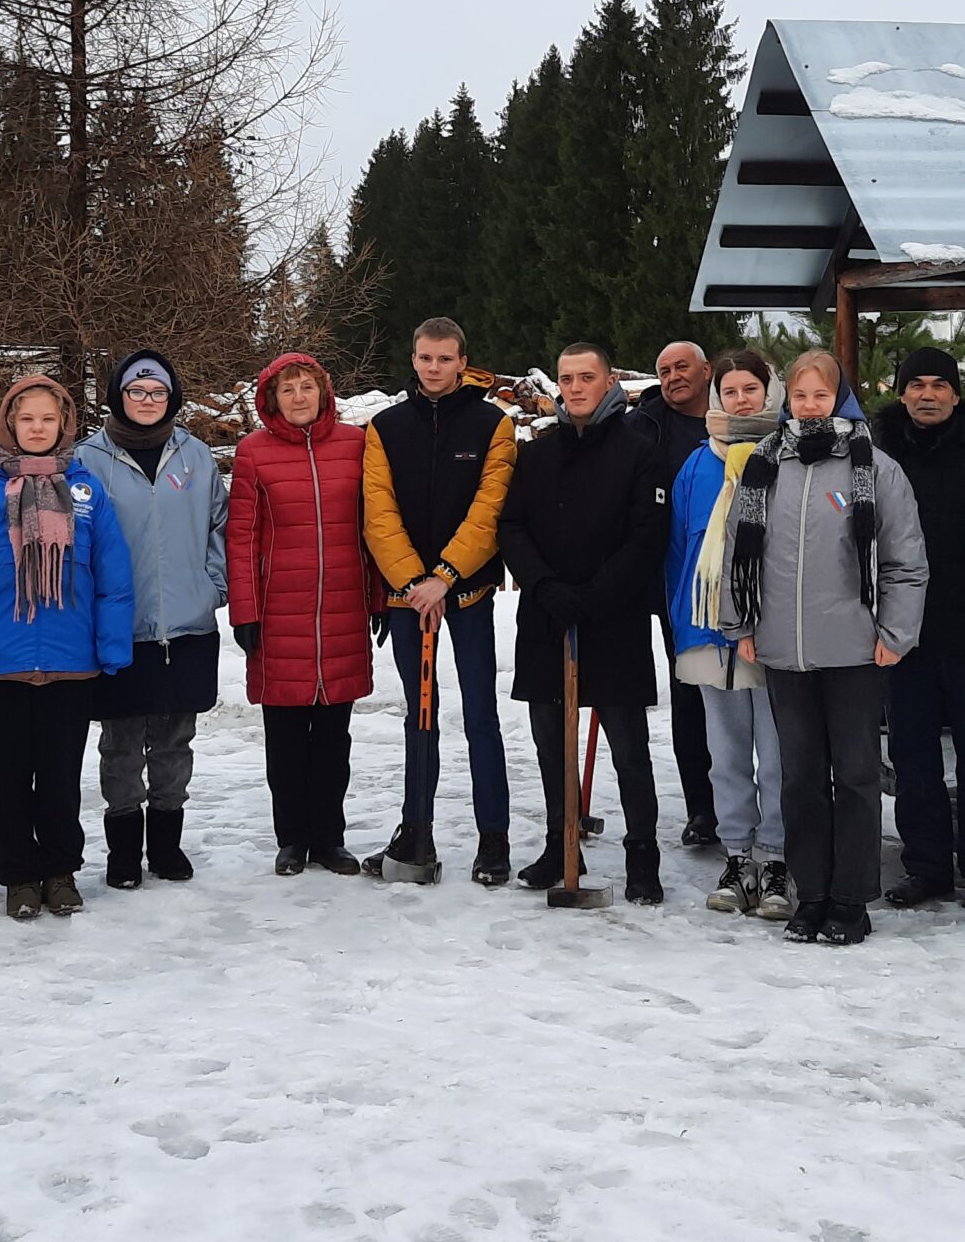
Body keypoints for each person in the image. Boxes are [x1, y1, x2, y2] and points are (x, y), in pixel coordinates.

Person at [721, 349, 927, 948]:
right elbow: (741, 553)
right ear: (788, 399)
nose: (809, 406)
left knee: (858, 776)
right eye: (800, 396)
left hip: (856, 651)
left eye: (821, 395)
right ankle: (811, 894)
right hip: (785, 650)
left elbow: (905, 562)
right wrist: (744, 625)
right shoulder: (765, 465)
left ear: (838, 399)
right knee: (800, 776)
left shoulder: (874, 468)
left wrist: (894, 635)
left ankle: (850, 898)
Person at [0, 374, 137, 923]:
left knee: (61, 778)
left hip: (69, 665)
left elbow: (113, 578)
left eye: (48, 418)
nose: (38, 428)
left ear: (64, 425)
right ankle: (20, 877)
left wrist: (110, 649)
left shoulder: (88, 491)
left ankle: (62, 871)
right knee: (7, 780)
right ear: (9, 425)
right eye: (27, 419)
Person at [503, 342, 672, 903]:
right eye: (565, 378)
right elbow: (513, 528)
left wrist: (599, 595)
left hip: (613, 616)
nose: (574, 387)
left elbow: (648, 534)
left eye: (585, 377)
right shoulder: (538, 454)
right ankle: (561, 844)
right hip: (548, 615)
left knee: (627, 743)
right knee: (552, 741)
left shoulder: (638, 449)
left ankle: (641, 854)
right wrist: (546, 587)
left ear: (608, 382)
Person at [362, 317, 517, 885]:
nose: (433, 368)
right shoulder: (385, 427)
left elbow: (489, 507)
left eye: (444, 359)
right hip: (409, 598)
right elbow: (377, 512)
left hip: (467, 590)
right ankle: (416, 831)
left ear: (461, 361)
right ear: (414, 358)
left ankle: (493, 837)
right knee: (419, 715)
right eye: (425, 358)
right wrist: (411, 581)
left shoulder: (491, 424)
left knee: (481, 712)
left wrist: (446, 576)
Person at [871, 345, 965, 912]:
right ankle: (926, 865)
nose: (927, 395)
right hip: (903, 633)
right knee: (912, 754)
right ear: (901, 393)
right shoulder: (878, 454)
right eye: (916, 385)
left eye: (939, 385)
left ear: (956, 393)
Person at [79, 347, 225, 889]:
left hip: (186, 626)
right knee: (120, 745)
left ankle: (166, 846)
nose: (146, 400)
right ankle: (122, 852)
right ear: (119, 395)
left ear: (171, 398)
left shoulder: (196, 457)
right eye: (137, 391)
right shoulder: (89, 460)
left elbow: (219, 529)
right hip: (120, 627)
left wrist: (212, 588)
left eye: (157, 391)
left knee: (173, 743)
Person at [227, 352, 379, 875]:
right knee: (287, 740)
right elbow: (241, 538)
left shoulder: (357, 446)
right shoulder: (252, 453)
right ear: (271, 399)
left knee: (334, 741)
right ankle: (292, 838)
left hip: (342, 610)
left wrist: (376, 594)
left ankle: (330, 839)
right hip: (277, 616)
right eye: (287, 389)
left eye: (306, 387)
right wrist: (244, 610)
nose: (298, 397)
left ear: (323, 393)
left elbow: (374, 524)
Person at [662, 347, 792, 920]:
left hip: (774, 631)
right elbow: (679, 550)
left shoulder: (790, 455)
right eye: (732, 391)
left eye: (752, 389)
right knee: (726, 753)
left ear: (772, 393)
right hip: (708, 630)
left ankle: (779, 857)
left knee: (780, 751)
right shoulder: (698, 464)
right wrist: (680, 618)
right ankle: (738, 855)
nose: (742, 400)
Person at [633, 339, 720, 849]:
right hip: (670, 579)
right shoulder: (644, 424)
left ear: (706, 370)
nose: (672, 378)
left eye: (681, 367)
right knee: (689, 692)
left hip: (737, 575)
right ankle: (702, 808)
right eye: (663, 370)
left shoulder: (737, 415)